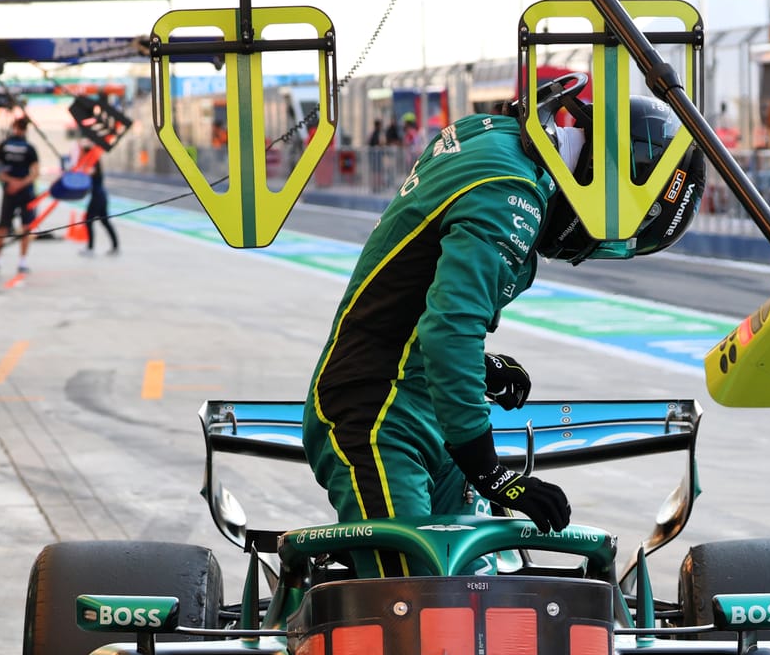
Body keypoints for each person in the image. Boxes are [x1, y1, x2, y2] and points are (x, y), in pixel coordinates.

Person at [301, 83, 705, 578]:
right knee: (414, 601)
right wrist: (492, 473)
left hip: (424, 402)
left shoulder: (498, 138)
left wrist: (480, 368)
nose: (597, 243)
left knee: (477, 589)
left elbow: (416, 295)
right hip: (375, 416)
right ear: (615, 182)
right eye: (622, 227)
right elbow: (450, 329)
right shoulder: (510, 190)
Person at [0, 116, 40, 274]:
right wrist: (19, 183)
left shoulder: (6, 146)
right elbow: (35, 173)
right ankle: (14, 261)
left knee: (16, 227)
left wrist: (12, 183)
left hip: (14, 191)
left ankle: (6, 261)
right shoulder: (28, 147)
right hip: (22, 190)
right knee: (9, 227)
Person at [79, 140, 117, 255]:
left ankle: (90, 248)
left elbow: (88, 173)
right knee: (104, 221)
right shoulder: (93, 163)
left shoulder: (93, 163)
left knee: (88, 220)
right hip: (101, 196)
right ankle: (115, 246)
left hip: (98, 196)